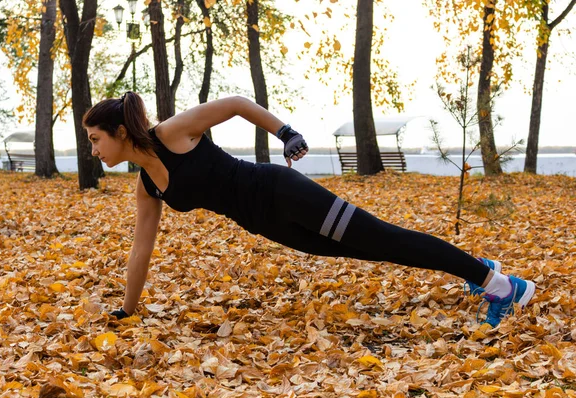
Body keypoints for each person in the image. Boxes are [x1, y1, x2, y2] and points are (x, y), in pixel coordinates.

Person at [83, 91, 535, 328]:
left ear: (120, 132)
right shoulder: (148, 187)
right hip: (268, 224)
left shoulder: (173, 132)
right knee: (369, 249)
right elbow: (140, 251)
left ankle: (502, 286)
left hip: (282, 193)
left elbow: (238, 104)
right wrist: (128, 310)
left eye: (95, 139)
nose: (93, 150)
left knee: (385, 239)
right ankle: (478, 268)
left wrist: (287, 133)